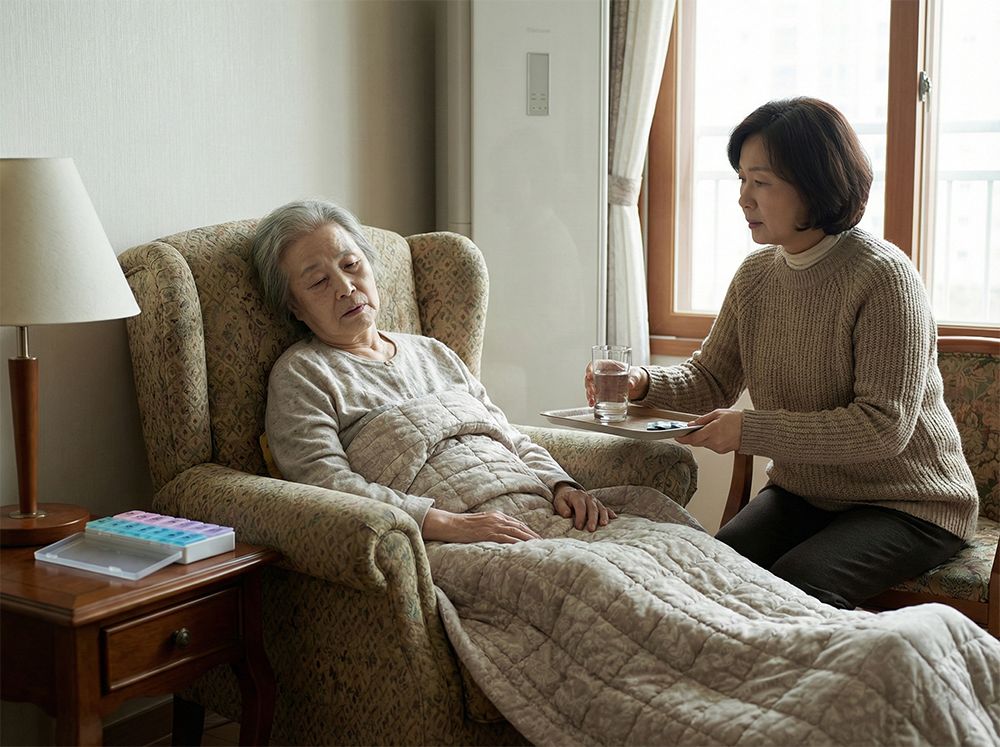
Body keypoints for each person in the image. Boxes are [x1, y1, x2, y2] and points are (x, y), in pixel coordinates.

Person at [587, 96, 978, 610]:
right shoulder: (755, 275)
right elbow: (710, 379)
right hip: (806, 493)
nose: (744, 199)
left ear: (816, 185)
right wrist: (639, 381)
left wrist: (748, 430)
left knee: (795, 583)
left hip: (908, 503)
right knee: (708, 571)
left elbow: (883, 427)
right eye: (741, 180)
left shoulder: (884, 278)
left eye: (762, 182)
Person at [253, 198, 618, 545]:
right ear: (294, 307)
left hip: (535, 509)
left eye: (351, 265)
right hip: (450, 538)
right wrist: (451, 525)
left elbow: (509, 437)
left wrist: (563, 487)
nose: (346, 287)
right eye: (318, 282)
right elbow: (327, 485)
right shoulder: (301, 375)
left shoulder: (432, 351)